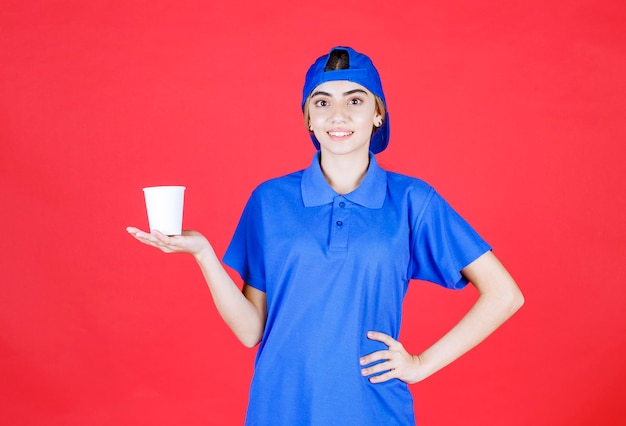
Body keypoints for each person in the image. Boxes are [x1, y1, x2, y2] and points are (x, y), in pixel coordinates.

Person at [127, 46, 524, 425]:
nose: (338, 115)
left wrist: (420, 365)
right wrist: (204, 254)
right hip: (281, 405)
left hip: (371, 407)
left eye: (354, 101)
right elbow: (251, 331)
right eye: (322, 102)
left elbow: (505, 294)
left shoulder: (411, 200)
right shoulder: (270, 200)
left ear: (378, 115)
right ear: (308, 119)